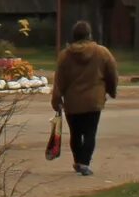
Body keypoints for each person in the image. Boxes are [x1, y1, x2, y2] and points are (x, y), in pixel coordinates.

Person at [50, 20, 119, 177]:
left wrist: (56, 100)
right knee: (90, 133)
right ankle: (84, 163)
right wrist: (111, 91)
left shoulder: (65, 56)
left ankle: (78, 160)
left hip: (72, 102)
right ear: (89, 35)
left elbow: (59, 80)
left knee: (75, 133)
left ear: (73, 36)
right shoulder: (102, 53)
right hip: (94, 101)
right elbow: (112, 74)